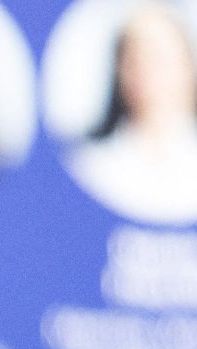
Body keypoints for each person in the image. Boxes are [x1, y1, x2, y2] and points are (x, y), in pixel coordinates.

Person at [65, 1, 197, 224]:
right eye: (135, 59)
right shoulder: (91, 161)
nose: (147, 73)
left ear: (188, 66)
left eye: (159, 58)